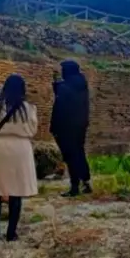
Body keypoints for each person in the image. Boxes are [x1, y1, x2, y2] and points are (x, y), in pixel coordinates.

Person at [0, 74, 38, 242]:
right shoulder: (28, 107)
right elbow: (33, 130)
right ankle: (12, 233)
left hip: (0, 147)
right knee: (16, 191)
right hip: (21, 149)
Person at [50, 59, 92, 198]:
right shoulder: (81, 84)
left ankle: (74, 186)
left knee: (70, 156)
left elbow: (61, 106)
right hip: (80, 125)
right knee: (79, 153)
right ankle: (86, 182)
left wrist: (54, 126)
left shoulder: (66, 86)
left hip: (66, 127)